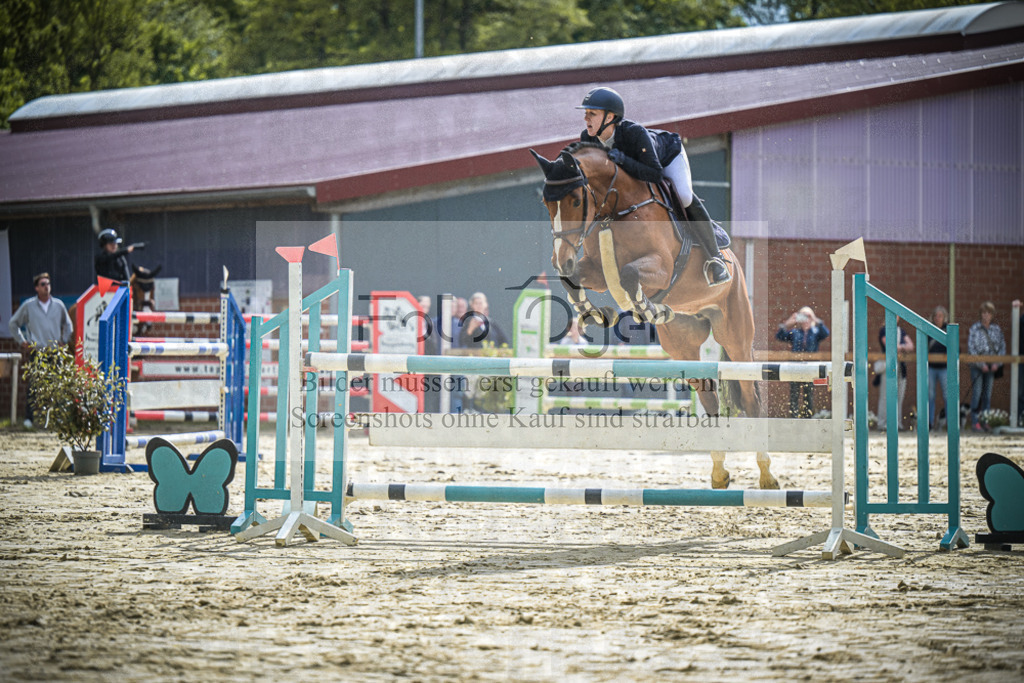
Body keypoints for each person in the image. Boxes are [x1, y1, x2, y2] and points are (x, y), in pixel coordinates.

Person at [577, 86, 730, 287]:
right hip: (635, 174)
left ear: (610, 117)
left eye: (592, 113)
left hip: (667, 157)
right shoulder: (587, 138)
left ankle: (715, 257)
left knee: (684, 196)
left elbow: (655, 174)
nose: (586, 118)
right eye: (586, 113)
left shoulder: (634, 133)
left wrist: (623, 159)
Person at [8, 272, 74, 428]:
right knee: (33, 386)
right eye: (43, 284)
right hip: (37, 352)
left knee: (57, 385)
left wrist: (64, 341)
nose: (46, 287)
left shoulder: (58, 305)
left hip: (55, 352)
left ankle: (57, 418)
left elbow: (68, 325)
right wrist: (22, 341)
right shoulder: (29, 306)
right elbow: (13, 323)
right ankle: (29, 419)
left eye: (48, 284)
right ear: (36, 288)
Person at [775, 307, 830, 418]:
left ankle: (807, 418)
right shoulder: (795, 332)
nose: (805, 319)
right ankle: (794, 419)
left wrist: (815, 319)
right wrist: (789, 322)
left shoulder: (815, 332)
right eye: (803, 316)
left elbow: (826, 333)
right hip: (795, 367)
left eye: (807, 316)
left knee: (808, 395)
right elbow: (779, 336)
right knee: (794, 394)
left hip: (811, 368)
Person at [967, 301, 1006, 432]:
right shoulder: (974, 328)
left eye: (988, 313)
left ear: (992, 315)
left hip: (992, 366)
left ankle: (986, 421)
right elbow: (971, 348)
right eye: (984, 313)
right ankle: (975, 422)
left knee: (987, 395)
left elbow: (1002, 347)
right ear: (981, 314)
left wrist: (997, 363)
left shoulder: (997, 329)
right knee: (977, 394)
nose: (986, 315)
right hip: (977, 367)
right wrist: (981, 364)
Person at [877, 319, 914, 431]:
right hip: (888, 365)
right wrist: (903, 347)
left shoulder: (901, 331)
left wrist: (901, 347)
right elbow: (890, 346)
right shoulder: (883, 330)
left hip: (901, 366)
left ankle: (897, 423)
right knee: (885, 395)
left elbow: (911, 346)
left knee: (899, 396)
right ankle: (882, 423)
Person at [927, 306, 949, 431]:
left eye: (940, 316)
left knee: (947, 396)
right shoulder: (929, 329)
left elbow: (955, 348)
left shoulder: (948, 330)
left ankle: (950, 424)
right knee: (930, 396)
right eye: (935, 316)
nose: (937, 318)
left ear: (944, 317)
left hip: (944, 368)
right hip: (931, 367)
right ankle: (929, 423)